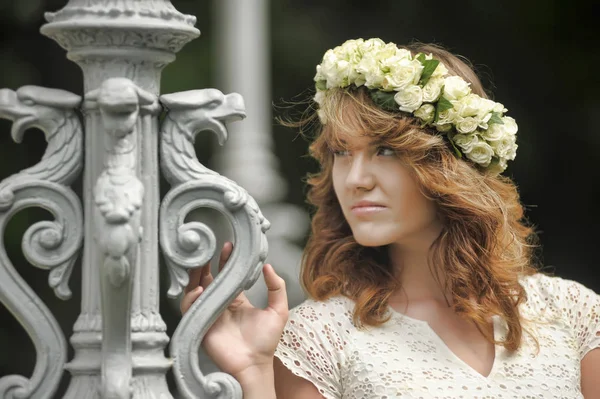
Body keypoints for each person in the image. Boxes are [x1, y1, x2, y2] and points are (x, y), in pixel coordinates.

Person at [180, 39, 600, 398]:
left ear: (450, 164)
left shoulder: (573, 312)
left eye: (385, 150)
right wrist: (254, 373)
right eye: (342, 153)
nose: (355, 180)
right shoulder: (319, 337)